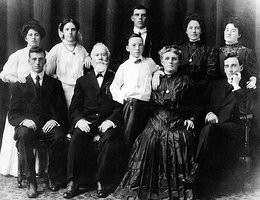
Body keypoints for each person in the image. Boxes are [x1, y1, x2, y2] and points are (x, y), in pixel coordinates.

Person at [111, 45, 197, 200]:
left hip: (176, 120)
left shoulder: (186, 81)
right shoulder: (152, 78)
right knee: (149, 139)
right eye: (167, 58)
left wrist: (191, 119)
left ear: (179, 61)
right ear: (162, 61)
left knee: (179, 139)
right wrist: (156, 74)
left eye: (174, 59)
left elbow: (193, 104)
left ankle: (176, 189)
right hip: (155, 119)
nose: (170, 62)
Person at [183, 53, 255, 192]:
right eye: (227, 66)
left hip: (235, 131)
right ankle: (200, 180)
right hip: (213, 129)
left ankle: (196, 172)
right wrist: (207, 113)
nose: (230, 69)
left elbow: (245, 111)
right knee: (207, 129)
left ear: (241, 67)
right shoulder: (215, 85)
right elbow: (201, 105)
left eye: (234, 65)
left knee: (209, 129)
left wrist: (236, 87)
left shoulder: (247, 88)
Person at [63, 43, 123, 199]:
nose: (100, 58)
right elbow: (74, 108)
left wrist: (111, 121)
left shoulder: (116, 78)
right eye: (97, 55)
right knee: (76, 136)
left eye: (103, 55)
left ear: (108, 58)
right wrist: (79, 120)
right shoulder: (83, 81)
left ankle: (102, 181)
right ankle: (73, 181)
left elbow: (120, 106)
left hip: (106, 123)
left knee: (109, 138)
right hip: (87, 123)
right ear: (91, 58)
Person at [8, 46, 68, 198]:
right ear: (29, 61)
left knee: (59, 136)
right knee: (24, 135)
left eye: (41, 59)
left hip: (47, 125)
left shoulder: (55, 84)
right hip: (28, 127)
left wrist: (54, 120)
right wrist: (24, 120)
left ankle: (53, 177)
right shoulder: (20, 84)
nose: (37, 62)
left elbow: (62, 110)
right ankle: (31, 182)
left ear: (45, 61)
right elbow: (13, 114)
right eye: (34, 59)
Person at [0, 20, 46, 177]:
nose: (33, 37)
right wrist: (16, 79)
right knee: (22, 131)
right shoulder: (18, 55)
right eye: (30, 35)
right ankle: (18, 170)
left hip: (38, 102)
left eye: (36, 35)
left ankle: (40, 169)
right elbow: (4, 74)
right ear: (26, 38)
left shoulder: (43, 55)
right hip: (21, 102)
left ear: (40, 38)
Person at [110, 33, 160, 159]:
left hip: (147, 105)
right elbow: (114, 87)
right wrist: (124, 97)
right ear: (127, 48)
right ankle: (126, 166)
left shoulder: (149, 62)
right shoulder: (124, 66)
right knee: (129, 136)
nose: (137, 48)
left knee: (145, 138)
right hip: (131, 105)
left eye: (140, 45)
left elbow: (159, 69)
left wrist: (157, 74)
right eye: (133, 45)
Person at [46, 18, 91, 108]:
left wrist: (88, 57)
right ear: (62, 32)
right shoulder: (57, 49)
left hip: (79, 89)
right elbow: (48, 72)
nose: (70, 32)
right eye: (67, 29)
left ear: (77, 31)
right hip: (62, 89)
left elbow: (88, 66)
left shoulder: (81, 49)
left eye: (73, 29)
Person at [179, 13, 218, 103]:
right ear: (186, 31)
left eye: (197, 28)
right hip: (180, 90)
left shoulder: (209, 50)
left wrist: (194, 86)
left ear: (201, 31)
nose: (194, 31)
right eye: (190, 28)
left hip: (201, 92)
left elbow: (210, 75)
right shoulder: (179, 49)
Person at [219, 17, 258, 89]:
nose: (229, 33)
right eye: (227, 30)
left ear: (239, 35)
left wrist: (253, 81)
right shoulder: (217, 52)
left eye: (233, 31)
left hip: (241, 89)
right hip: (221, 90)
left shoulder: (247, 53)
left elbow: (254, 75)